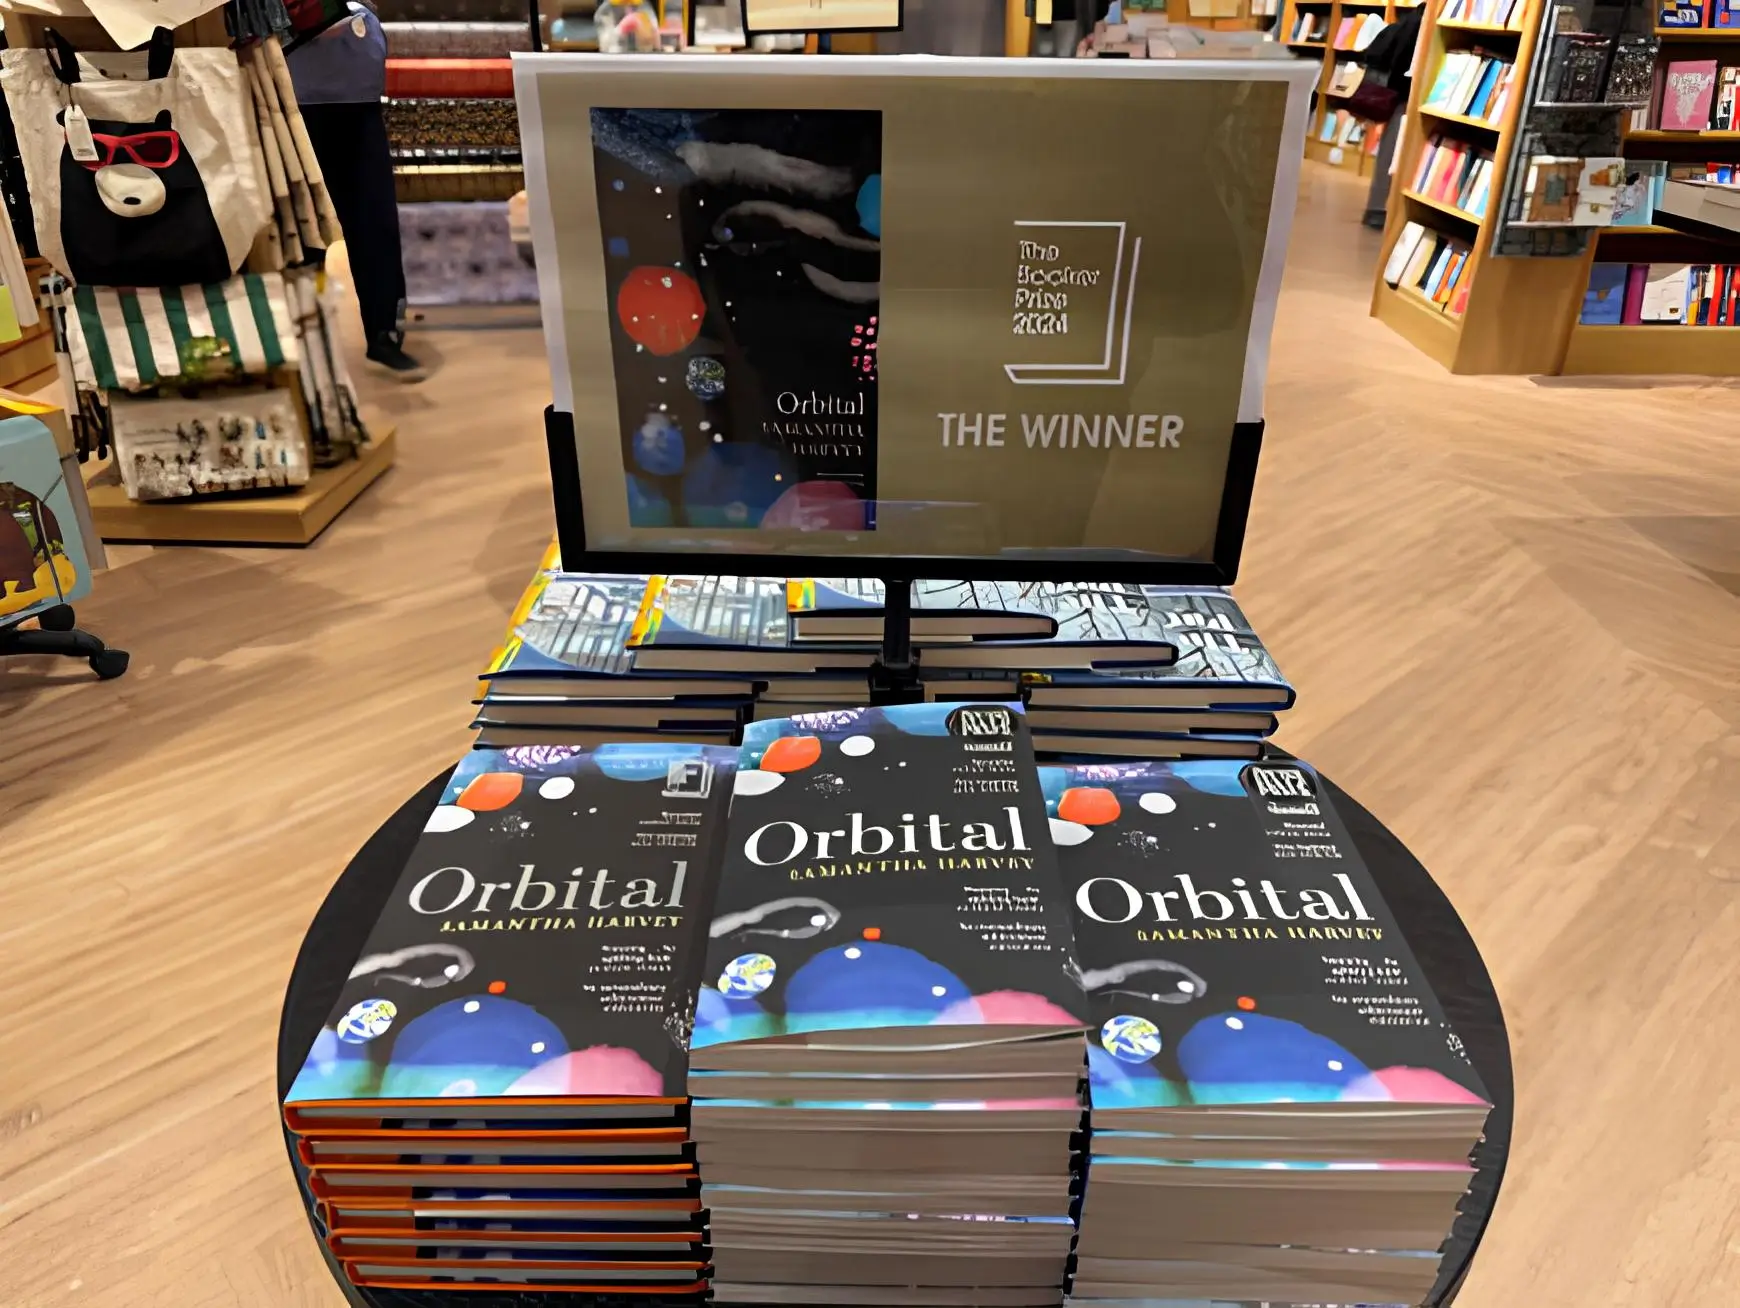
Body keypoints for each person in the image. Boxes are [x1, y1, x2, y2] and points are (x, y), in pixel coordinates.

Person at [286, 2, 426, 381]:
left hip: (357, 89)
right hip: (294, 96)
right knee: (301, 227)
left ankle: (384, 334)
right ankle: (303, 338)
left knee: (374, 222)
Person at [1358, 3, 1423, 231]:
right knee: (1392, 152)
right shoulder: (1420, 23)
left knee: (1388, 152)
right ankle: (1379, 209)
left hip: (1397, 95)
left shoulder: (1410, 20)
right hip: (1405, 97)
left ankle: (1377, 208)